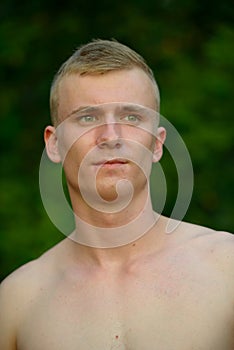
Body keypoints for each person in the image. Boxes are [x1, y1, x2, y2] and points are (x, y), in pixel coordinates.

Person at [0, 39, 233, 350]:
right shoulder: (17, 302)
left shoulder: (226, 268)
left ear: (158, 143)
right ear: (53, 144)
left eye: (131, 117)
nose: (111, 137)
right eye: (87, 118)